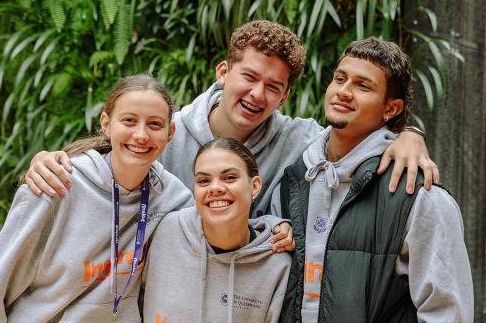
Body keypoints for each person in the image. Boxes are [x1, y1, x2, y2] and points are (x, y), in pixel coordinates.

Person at [23, 20, 439, 217]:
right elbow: (108, 153)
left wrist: (407, 135)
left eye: (273, 87)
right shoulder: (167, 133)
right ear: (223, 73)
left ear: (284, 96)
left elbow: (355, 136)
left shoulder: (300, 140)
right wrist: (50, 159)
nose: (258, 94)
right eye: (249, 77)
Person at [0, 75, 194, 322]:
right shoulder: (54, 185)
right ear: (106, 123)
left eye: (155, 124)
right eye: (129, 121)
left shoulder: (174, 200)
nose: (141, 135)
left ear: (170, 132)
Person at [277, 38, 473, 322]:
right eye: (340, 79)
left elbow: (447, 312)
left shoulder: (419, 196)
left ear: (391, 109)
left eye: (362, 86)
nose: (343, 92)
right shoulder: (294, 178)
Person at [142, 138, 291, 323]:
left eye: (229, 178)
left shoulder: (277, 262)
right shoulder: (164, 231)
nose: (215, 188)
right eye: (203, 180)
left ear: (254, 186)